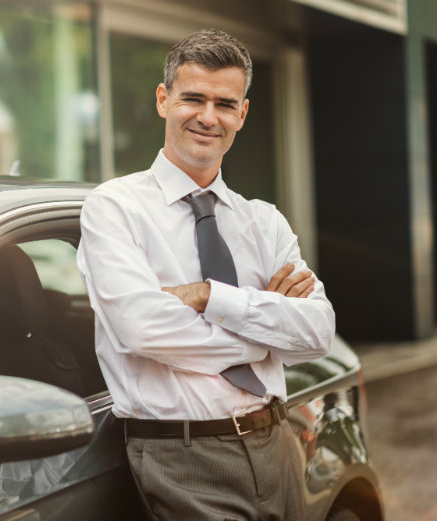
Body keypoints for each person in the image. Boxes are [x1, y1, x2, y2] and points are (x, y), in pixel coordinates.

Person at [76, 28, 335, 520]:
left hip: (276, 443)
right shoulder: (115, 207)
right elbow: (142, 327)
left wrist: (206, 296)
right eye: (193, 98)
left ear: (243, 112)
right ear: (163, 99)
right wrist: (267, 332)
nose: (208, 117)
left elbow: (318, 333)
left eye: (224, 103)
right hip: (183, 456)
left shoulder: (264, 220)